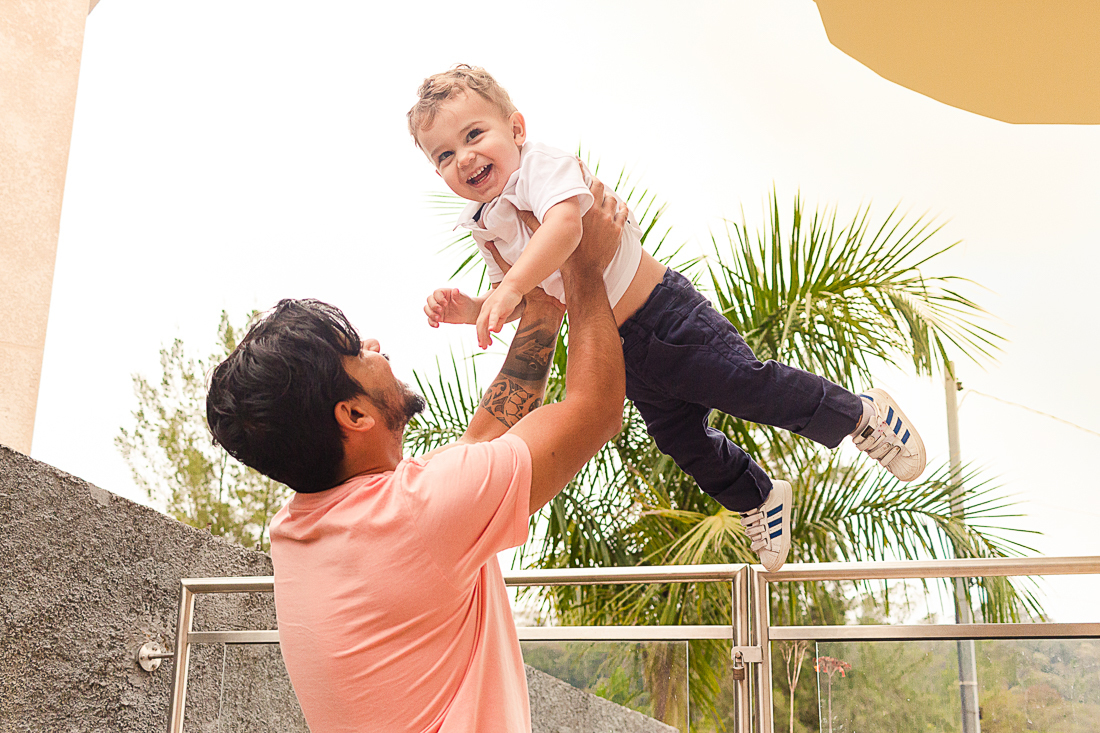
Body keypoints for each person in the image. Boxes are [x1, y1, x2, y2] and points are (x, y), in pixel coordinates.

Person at [409, 64, 927, 573]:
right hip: (620, 350)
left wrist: (515, 285)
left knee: (746, 387)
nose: (465, 158)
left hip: (664, 314)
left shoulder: (540, 167)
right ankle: (758, 496)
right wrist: (476, 308)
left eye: (475, 134)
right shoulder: (483, 224)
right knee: (680, 439)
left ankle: (861, 415)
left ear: (516, 129)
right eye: (445, 155)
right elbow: (523, 299)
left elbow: (566, 229)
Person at [205, 179, 626, 733]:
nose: (375, 346)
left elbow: (482, 446)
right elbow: (594, 410)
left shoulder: (298, 532)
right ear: (354, 416)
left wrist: (543, 309)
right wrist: (581, 263)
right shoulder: (417, 512)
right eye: (357, 353)